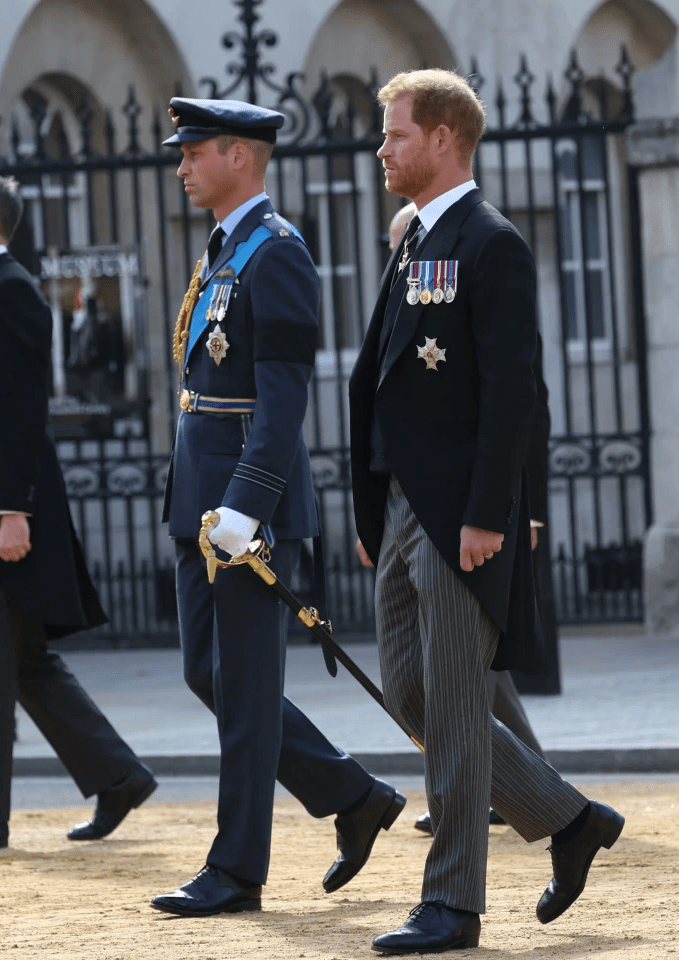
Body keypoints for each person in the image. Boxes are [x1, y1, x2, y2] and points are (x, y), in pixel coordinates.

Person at [348, 70, 624, 953]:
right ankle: (569, 818)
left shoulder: (490, 241)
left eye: (395, 134)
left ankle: (453, 904)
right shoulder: (414, 240)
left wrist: (488, 514)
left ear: (442, 138)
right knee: (412, 692)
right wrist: (372, 503)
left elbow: (513, 394)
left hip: (456, 514)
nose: (382, 148)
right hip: (401, 507)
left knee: (459, 699)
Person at [151, 98, 405, 918]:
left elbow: (282, 398)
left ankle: (236, 870)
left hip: (242, 513)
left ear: (240, 156)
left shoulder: (278, 253)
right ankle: (353, 795)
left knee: (246, 687)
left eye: (194, 152)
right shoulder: (224, 250)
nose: (183, 165)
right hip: (202, 503)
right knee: (209, 673)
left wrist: (245, 506)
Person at [375, 203, 550, 838]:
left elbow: (521, 404)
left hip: (472, 512)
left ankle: (520, 799)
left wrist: (513, 509)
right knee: (428, 687)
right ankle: (556, 807)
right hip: (414, 507)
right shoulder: (407, 280)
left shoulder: (487, 250)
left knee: (464, 683)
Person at [0, 175, 157, 850]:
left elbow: (21, 414)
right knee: (26, 661)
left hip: (12, 509)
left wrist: (12, 509)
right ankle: (116, 776)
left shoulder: (12, 292)